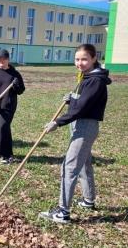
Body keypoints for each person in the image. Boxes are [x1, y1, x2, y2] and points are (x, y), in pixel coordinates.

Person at [39, 44, 112, 224]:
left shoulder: (95, 80)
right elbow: (82, 100)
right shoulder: (88, 76)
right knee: (84, 163)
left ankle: (62, 212)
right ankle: (88, 199)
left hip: (85, 126)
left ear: (94, 58)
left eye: (84, 59)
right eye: (77, 59)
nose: (80, 63)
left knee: (69, 167)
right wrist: (71, 98)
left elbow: (81, 108)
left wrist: (57, 122)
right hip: (81, 124)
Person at [0, 49, 25, 164]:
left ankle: (8, 155)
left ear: (8, 60)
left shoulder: (15, 74)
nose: (1, 61)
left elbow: (21, 90)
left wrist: (16, 86)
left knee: (3, 128)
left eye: (4, 59)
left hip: (7, 106)